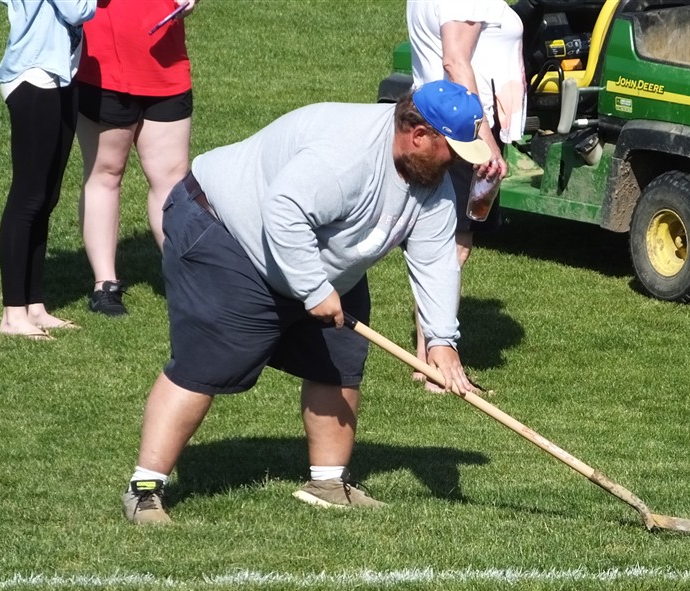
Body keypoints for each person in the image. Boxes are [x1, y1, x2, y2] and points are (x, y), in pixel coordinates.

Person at [121, 80, 490, 524]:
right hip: (224, 230)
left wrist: (442, 341)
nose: (457, 164)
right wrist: (314, 289)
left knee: (338, 360)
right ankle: (145, 489)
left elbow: (435, 261)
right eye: (452, 150)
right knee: (209, 361)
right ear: (418, 135)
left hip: (317, 256)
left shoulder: (432, 183)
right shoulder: (347, 154)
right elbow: (284, 210)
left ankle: (328, 484)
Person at [406, 0, 527, 389]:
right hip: (461, 130)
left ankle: (424, 360)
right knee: (451, 248)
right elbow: (455, 62)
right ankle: (436, 367)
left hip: (441, 119)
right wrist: (485, 141)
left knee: (439, 244)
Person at [75, 0, 199, 316]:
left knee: (172, 179)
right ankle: (105, 285)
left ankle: (185, 277)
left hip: (165, 62)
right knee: (106, 172)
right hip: (103, 62)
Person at [0, 0, 97, 339]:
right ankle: (13, 314)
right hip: (33, 75)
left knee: (46, 197)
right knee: (27, 198)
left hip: (61, 73)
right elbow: (77, 10)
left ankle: (35, 307)